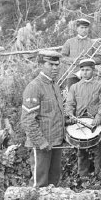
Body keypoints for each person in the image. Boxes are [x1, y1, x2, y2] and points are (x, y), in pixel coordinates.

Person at [21, 50, 66, 187]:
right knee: (39, 183)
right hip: (42, 145)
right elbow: (28, 120)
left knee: (53, 182)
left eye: (56, 65)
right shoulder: (34, 87)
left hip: (56, 142)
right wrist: (41, 142)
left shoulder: (55, 85)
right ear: (41, 65)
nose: (54, 68)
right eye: (50, 64)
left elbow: (54, 114)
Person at [64, 58, 101, 176]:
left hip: (95, 121)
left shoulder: (100, 86)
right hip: (80, 122)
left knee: (100, 149)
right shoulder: (74, 87)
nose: (84, 73)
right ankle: (82, 176)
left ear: (93, 70)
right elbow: (69, 103)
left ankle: (100, 176)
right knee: (81, 150)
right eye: (82, 70)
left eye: (87, 70)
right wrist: (70, 114)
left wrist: (98, 119)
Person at [60, 18, 101, 90]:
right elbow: (62, 57)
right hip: (73, 75)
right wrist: (73, 60)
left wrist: (88, 60)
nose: (84, 30)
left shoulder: (93, 42)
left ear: (88, 29)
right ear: (77, 29)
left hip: (89, 75)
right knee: (72, 97)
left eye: (86, 28)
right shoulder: (69, 42)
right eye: (81, 28)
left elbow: (100, 59)